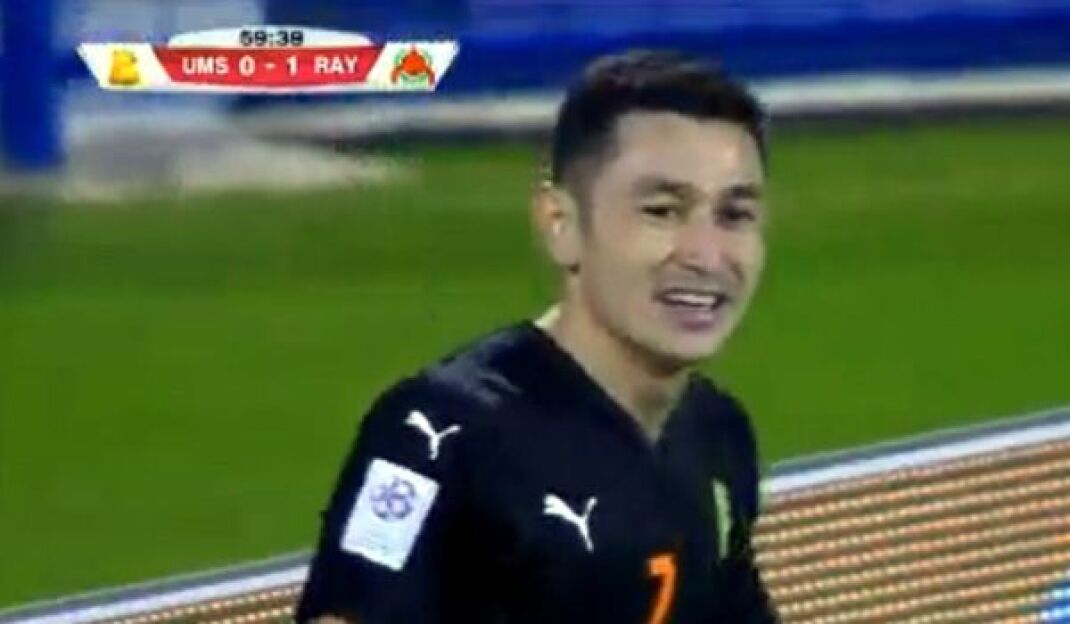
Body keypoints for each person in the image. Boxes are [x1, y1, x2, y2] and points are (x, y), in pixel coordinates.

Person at [296, 49, 779, 623]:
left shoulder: (717, 434)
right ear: (561, 226)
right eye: (661, 211)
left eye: (734, 216)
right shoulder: (440, 436)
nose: (706, 255)